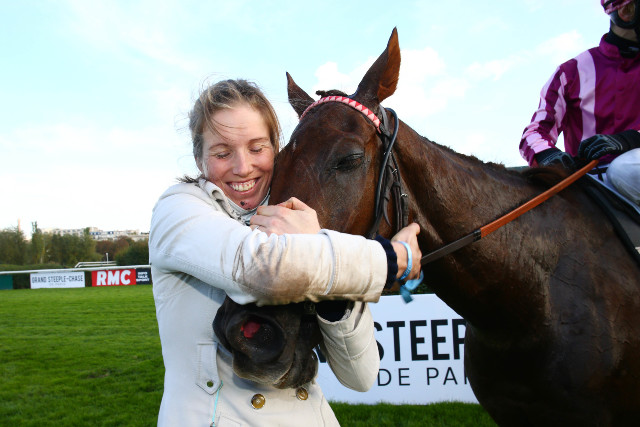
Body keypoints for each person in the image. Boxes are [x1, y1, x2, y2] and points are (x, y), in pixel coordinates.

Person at [149, 78, 422, 427]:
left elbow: (362, 376)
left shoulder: (303, 223)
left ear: (277, 148)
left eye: (257, 148)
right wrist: (388, 258)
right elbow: (262, 270)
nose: (242, 166)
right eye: (222, 153)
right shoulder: (177, 210)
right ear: (199, 158)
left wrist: (331, 294)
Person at [519, 0, 640, 205]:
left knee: (622, 170)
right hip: (589, 191)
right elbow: (534, 133)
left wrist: (629, 140)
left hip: (629, 175)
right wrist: (548, 156)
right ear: (626, 11)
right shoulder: (570, 72)